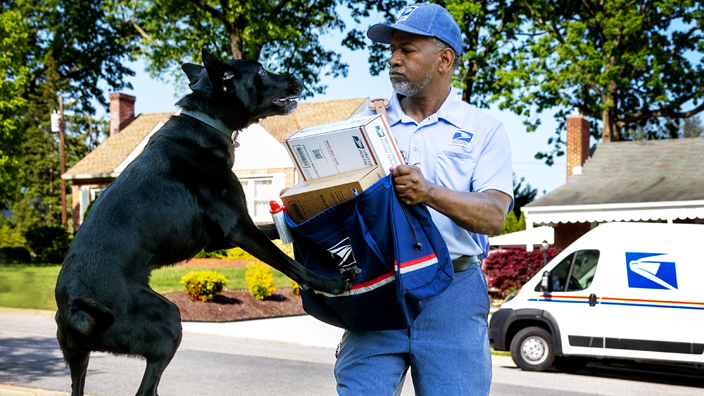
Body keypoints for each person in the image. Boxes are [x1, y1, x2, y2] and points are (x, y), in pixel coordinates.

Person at [333, 4, 514, 395]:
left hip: (453, 293)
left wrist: (428, 192)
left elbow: (495, 215)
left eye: (407, 50)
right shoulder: (364, 122)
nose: (393, 59)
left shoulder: (484, 130)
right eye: (392, 49)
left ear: (444, 60)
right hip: (380, 289)